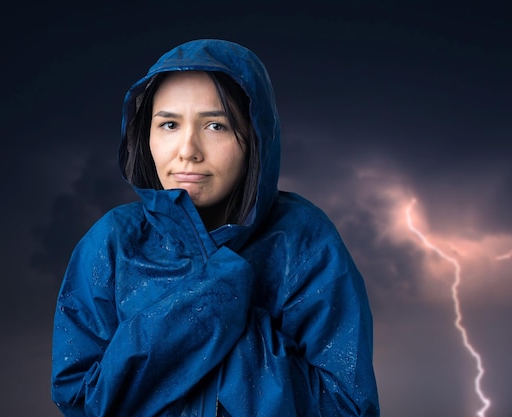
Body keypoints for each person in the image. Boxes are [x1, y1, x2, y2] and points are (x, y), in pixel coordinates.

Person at [51, 39, 380, 416]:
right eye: (170, 124)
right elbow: (80, 398)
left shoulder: (302, 240)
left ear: (256, 137)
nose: (188, 149)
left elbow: (346, 407)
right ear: (146, 135)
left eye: (215, 125)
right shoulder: (113, 241)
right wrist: (211, 303)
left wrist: (228, 318)